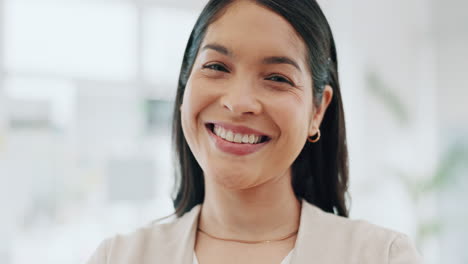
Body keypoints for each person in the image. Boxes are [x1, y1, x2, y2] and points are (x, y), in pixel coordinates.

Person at [87, 0, 423, 263]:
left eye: (277, 78)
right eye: (217, 67)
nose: (239, 102)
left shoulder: (382, 256)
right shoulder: (117, 257)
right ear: (186, 83)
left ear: (317, 110)